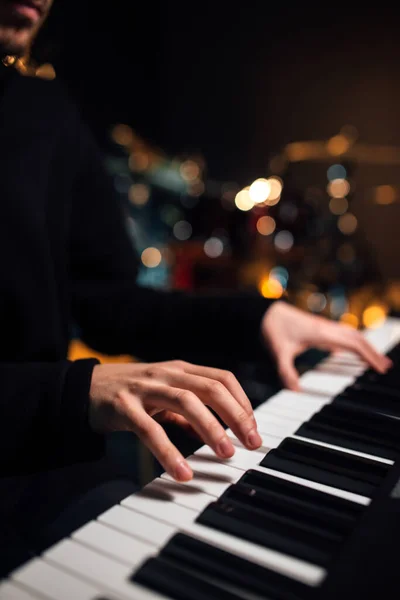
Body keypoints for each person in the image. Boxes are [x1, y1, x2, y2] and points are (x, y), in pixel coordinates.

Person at [0, 0, 390, 489]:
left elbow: (108, 304)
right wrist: (74, 392)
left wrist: (258, 315)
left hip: (39, 470)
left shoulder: (44, 112)